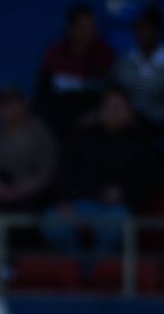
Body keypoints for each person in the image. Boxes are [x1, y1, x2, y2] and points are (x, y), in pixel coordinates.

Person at [49, 86, 159, 253]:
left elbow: (150, 178)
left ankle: (98, 271)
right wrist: (64, 199)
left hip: (117, 208)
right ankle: (75, 267)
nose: (113, 113)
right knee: (52, 221)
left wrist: (124, 193)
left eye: (119, 107)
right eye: (108, 107)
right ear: (99, 111)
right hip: (79, 203)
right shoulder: (83, 135)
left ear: (129, 111)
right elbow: (64, 170)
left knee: (115, 224)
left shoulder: (141, 140)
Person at [0, 85, 59, 213]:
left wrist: (14, 192)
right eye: (1, 103)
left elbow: (45, 176)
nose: (5, 108)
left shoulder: (41, 137)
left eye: (10, 103)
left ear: (24, 104)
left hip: (27, 200)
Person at [35, 2, 117, 142]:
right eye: (84, 27)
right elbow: (42, 97)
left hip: (96, 128)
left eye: (92, 27)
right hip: (59, 128)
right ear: (71, 29)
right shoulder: (55, 56)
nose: (91, 32)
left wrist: (96, 116)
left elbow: (113, 96)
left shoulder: (106, 56)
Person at [113, 6, 164, 129]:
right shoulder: (125, 61)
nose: (143, 34)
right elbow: (116, 90)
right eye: (140, 29)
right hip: (129, 122)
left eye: (148, 29)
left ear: (157, 31)